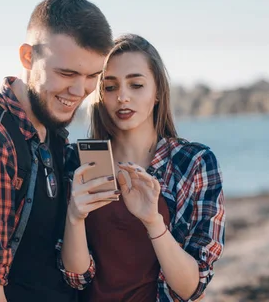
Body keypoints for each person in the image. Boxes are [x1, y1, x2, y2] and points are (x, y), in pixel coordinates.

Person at [0, 0, 113, 302]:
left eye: (91, 77)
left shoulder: (52, 133)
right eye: (66, 73)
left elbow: (65, 269)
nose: (79, 90)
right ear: (27, 57)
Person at [60, 34, 226, 301]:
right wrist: (75, 217)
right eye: (110, 87)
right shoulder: (75, 161)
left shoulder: (193, 162)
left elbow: (191, 288)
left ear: (158, 91)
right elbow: (76, 277)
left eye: (136, 85)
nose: (123, 97)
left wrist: (153, 221)